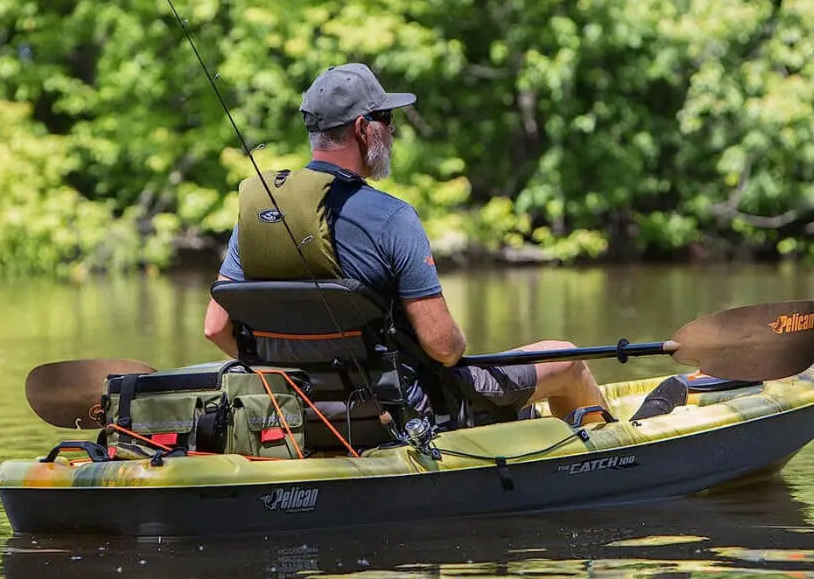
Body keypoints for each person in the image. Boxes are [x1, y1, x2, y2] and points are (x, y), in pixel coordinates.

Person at [203, 62, 610, 422]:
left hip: (297, 412)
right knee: (566, 357)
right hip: (407, 411)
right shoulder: (392, 217)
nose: (392, 128)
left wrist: (300, 381)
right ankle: (604, 460)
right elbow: (444, 348)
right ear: (363, 129)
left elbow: (215, 328)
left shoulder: (260, 215)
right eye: (386, 117)